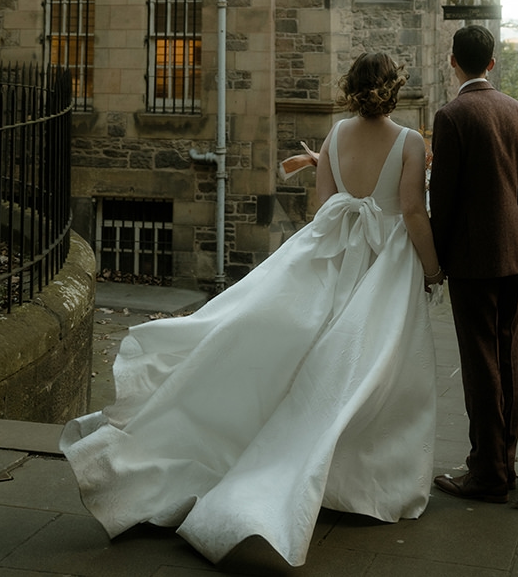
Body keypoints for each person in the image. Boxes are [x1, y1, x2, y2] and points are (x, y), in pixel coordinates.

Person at [61, 52, 444, 569]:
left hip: (329, 259)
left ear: (351, 88)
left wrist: (328, 171)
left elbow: (323, 209)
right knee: (374, 371)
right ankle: (364, 484)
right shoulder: (411, 141)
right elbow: (413, 211)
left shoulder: (334, 136)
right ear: (395, 90)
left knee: (312, 363)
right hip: (383, 268)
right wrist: (433, 267)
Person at [429, 24, 518, 504]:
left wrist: (436, 255)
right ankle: (504, 465)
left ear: (454, 61)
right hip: (512, 251)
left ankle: (487, 473)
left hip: (471, 258)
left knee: (480, 366)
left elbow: (443, 200)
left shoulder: (451, 116)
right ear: (491, 63)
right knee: (506, 358)